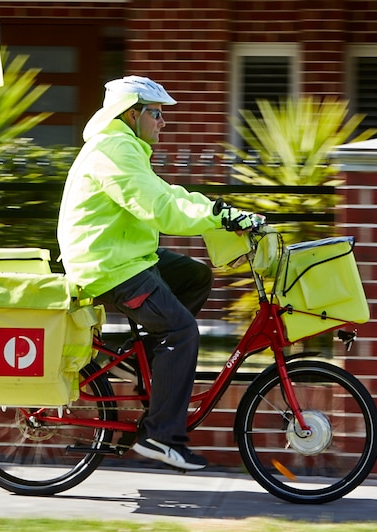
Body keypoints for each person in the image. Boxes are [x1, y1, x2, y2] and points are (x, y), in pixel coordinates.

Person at [57, 75, 254, 471]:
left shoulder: (126, 146)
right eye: (157, 113)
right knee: (181, 331)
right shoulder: (114, 148)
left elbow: (168, 194)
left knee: (195, 277)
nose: (163, 122)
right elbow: (157, 206)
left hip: (126, 255)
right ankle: (159, 436)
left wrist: (218, 210)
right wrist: (215, 215)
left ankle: (155, 363)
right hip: (108, 266)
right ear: (132, 113)